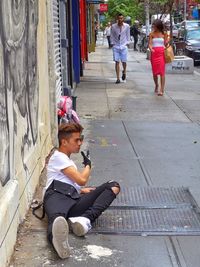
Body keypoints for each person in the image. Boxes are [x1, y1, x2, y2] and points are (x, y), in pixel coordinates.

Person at [43, 123, 120, 259]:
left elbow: (73, 183)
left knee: (113, 186)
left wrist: (82, 190)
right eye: (76, 140)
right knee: (56, 221)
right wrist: (88, 165)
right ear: (64, 142)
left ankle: (84, 219)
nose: (80, 143)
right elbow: (81, 179)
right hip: (56, 197)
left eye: (81, 139)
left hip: (72, 200)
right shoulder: (58, 157)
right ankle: (59, 243)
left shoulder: (67, 160)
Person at [148, 19, 168, 96]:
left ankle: (161, 90)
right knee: (155, 72)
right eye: (153, 26)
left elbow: (166, 44)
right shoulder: (151, 34)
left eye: (154, 26)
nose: (153, 27)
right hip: (154, 54)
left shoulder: (164, 34)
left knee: (162, 72)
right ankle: (156, 85)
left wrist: (166, 42)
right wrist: (151, 49)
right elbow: (150, 44)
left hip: (161, 54)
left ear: (158, 26)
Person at [110, 13, 130, 84]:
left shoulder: (127, 26)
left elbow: (128, 35)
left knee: (124, 61)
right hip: (116, 46)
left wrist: (127, 43)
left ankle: (124, 71)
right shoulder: (113, 26)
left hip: (123, 46)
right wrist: (112, 44)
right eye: (119, 18)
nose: (120, 19)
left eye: (121, 18)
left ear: (123, 19)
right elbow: (111, 35)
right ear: (117, 19)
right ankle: (118, 78)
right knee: (117, 62)